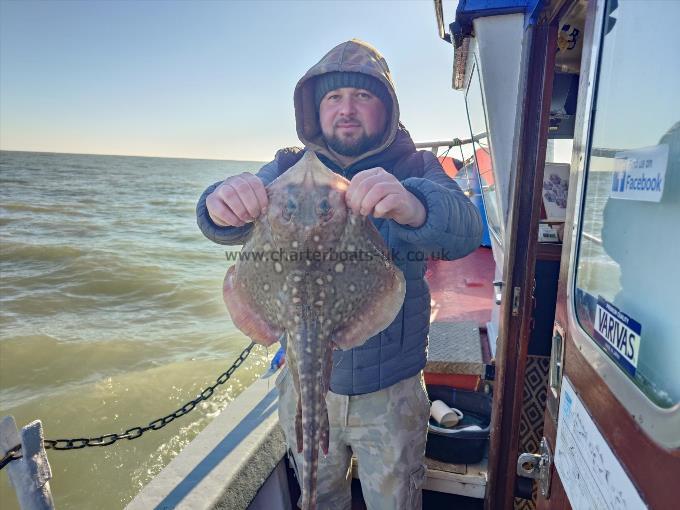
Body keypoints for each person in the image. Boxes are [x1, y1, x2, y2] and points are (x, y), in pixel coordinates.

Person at [196, 39, 482, 510]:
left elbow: (467, 231)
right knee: (316, 496)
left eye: (362, 96)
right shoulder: (287, 167)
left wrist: (415, 204)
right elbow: (224, 223)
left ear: (386, 107)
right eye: (333, 97)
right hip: (304, 385)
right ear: (315, 109)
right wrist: (218, 203)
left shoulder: (417, 166)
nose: (346, 109)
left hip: (391, 392)